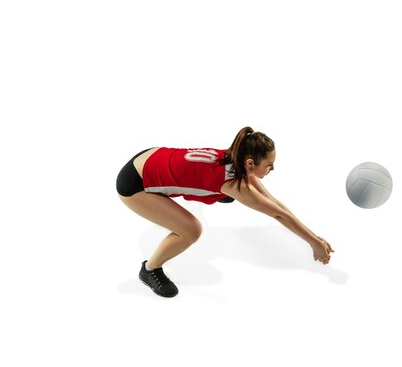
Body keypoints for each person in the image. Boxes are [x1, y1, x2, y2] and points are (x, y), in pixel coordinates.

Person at [116, 126, 334, 298]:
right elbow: (277, 214)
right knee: (192, 230)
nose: (273, 169)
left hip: (149, 156)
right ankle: (151, 268)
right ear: (250, 163)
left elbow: (275, 204)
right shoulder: (233, 184)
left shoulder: (235, 156)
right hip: (134, 184)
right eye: (269, 164)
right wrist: (313, 243)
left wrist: (314, 238)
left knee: (220, 189)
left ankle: (215, 194)